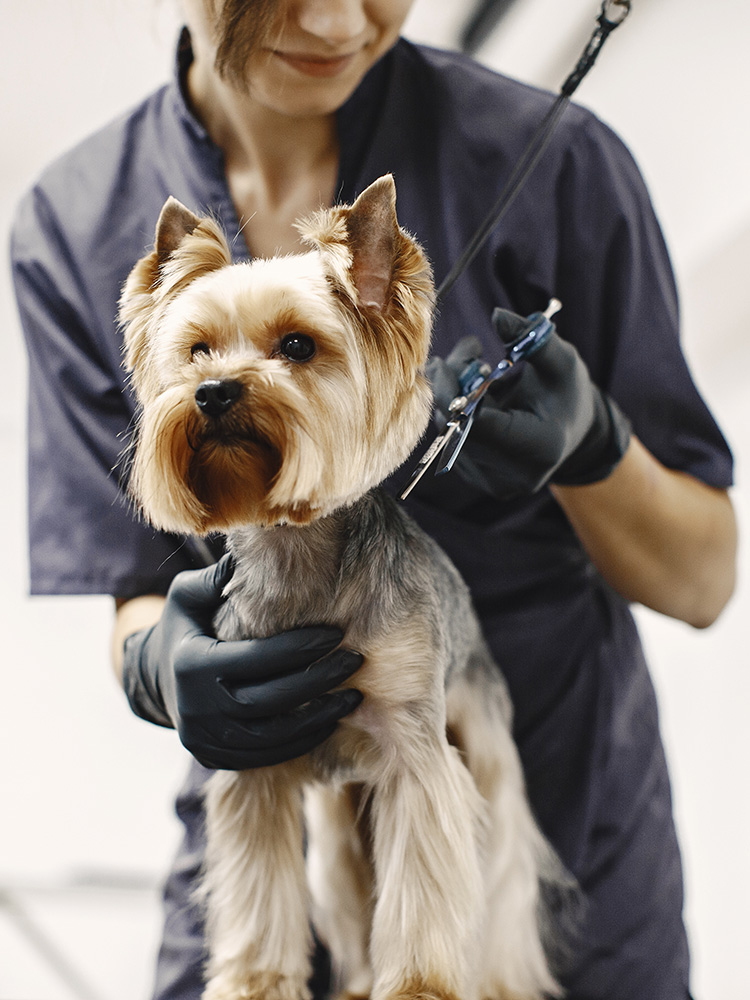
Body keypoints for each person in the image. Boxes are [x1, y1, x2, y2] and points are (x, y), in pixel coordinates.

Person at [11, 1, 737, 998]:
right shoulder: (71, 220)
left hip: (564, 827)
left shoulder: (552, 163)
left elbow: (706, 580)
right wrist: (157, 662)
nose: (333, 17)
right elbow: (135, 585)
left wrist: (593, 445)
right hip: (263, 813)